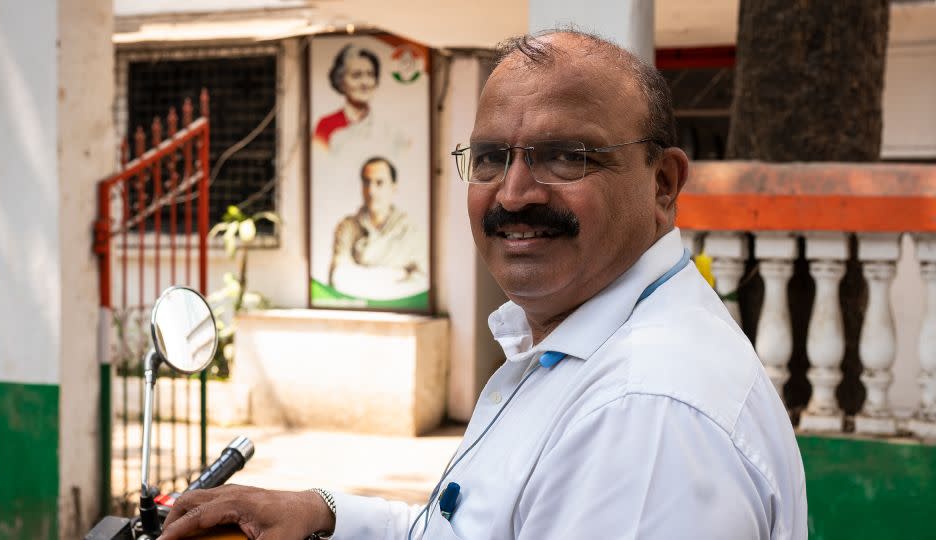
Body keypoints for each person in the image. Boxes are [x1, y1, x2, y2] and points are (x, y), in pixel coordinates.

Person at [159, 30, 807, 540]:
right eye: (493, 158)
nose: (515, 193)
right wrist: (324, 510)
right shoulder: (569, 343)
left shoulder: (645, 416)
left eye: (565, 156)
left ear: (662, 184)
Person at [328, 157, 427, 300]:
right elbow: (339, 278)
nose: (371, 190)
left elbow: (420, 283)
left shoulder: (411, 231)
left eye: (379, 183)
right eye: (366, 182)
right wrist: (397, 274)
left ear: (394, 187)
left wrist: (359, 276)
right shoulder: (347, 227)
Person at [314, 45, 380, 149]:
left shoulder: (385, 127)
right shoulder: (326, 125)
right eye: (356, 75)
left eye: (370, 74)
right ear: (341, 81)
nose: (365, 83)